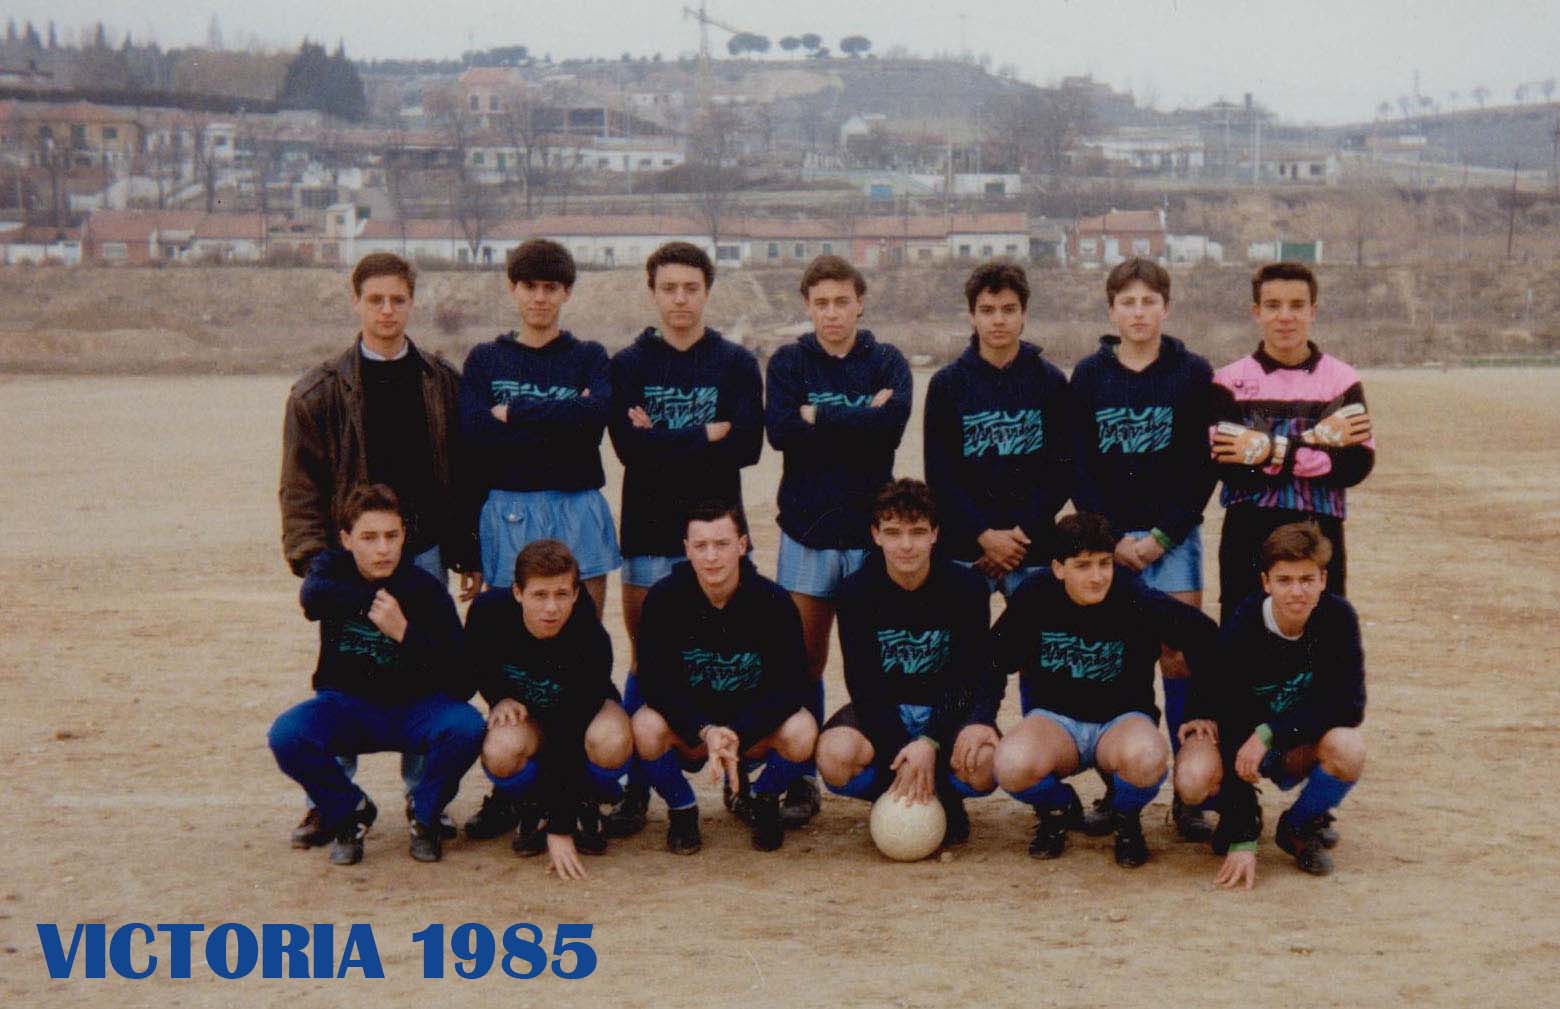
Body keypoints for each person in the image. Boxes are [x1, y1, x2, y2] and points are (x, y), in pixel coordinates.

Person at [279, 252, 479, 849]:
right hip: (354, 554)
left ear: (412, 302)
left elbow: (463, 474)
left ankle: (427, 801)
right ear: (356, 301)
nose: (387, 310)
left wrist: (464, 551)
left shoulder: (442, 380)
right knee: (347, 671)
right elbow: (299, 485)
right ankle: (331, 801)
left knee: (424, 673)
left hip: (421, 552)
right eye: (375, 300)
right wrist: (319, 560)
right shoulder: (319, 391)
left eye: (398, 299)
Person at [604, 242, 764, 837]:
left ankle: (741, 781)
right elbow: (628, 450)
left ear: (706, 291)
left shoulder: (735, 362)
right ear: (653, 291)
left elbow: (747, 446)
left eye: (690, 288)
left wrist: (666, 437)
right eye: (668, 288)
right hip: (647, 530)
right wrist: (707, 431)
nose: (679, 299)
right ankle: (640, 788)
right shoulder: (628, 365)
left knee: (732, 659)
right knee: (650, 660)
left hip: (720, 532)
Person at [1069, 257, 1219, 841]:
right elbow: (1077, 463)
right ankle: (1119, 788)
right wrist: (1108, 540)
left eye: (1148, 301)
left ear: (1166, 307)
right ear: (1112, 311)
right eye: (1127, 303)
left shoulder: (1191, 373)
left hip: (1170, 539)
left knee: (1179, 656)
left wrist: (1161, 538)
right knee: (1121, 656)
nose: (1138, 312)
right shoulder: (1089, 375)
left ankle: (1190, 790)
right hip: (1109, 543)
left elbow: (1201, 467)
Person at [764, 254, 912, 827]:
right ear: (807, 306)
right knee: (804, 657)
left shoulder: (887, 361)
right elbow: (780, 431)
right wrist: (855, 419)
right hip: (807, 530)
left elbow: (891, 428)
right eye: (820, 302)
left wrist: (817, 418)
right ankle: (801, 775)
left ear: (860, 302)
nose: (832, 313)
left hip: (870, 535)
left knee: (877, 653)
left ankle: (887, 758)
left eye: (842, 301)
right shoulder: (789, 362)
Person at [267, 484, 485, 865]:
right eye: (369, 537)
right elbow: (311, 597)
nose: (383, 549)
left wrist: (405, 632)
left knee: (467, 726)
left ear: (404, 537)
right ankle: (350, 812)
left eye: (392, 536)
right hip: (348, 707)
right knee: (287, 735)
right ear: (346, 540)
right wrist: (370, 600)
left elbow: (463, 679)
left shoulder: (424, 588)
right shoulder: (331, 572)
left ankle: (425, 812)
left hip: (413, 710)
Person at [989, 512, 1217, 868]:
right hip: (1055, 723)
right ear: (1058, 568)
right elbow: (992, 660)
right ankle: (1058, 808)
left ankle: (1126, 819)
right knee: (1010, 764)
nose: (1097, 577)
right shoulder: (1036, 595)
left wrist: (1199, 709)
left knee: (1147, 757)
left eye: (1104, 564)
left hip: (1120, 722)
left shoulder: (1131, 594)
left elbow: (1203, 634)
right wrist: (980, 720)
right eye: (1082, 566)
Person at [1176, 522, 1367, 888]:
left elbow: (1350, 705)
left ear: (1323, 579)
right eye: (1284, 580)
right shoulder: (1246, 626)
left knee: (1348, 747)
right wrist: (1242, 834)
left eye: (1307, 579)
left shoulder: (1338, 618)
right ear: (1266, 582)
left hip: (1287, 741)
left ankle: (1297, 827)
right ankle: (1240, 818)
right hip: (1241, 744)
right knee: (1193, 778)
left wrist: (1270, 732)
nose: (1297, 591)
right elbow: (1230, 724)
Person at [815, 479, 995, 847]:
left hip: (945, 706)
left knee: (987, 765)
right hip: (886, 708)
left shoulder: (967, 587)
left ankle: (945, 795)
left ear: (935, 535)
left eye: (917, 532)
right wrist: (904, 751)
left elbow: (967, 676)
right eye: (893, 533)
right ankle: (897, 789)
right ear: (876, 535)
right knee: (834, 757)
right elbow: (863, 684)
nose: (906, 545)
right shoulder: (855, 591)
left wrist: (930, 741)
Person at [630, 501, 816, 854]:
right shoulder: (664, 599)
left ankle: (763, 798)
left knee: (802, 730)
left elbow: (791, 684)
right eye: (700, 546)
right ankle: (682, 809)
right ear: (686, 549)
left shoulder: (772, 600)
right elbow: (655, 682)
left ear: (742, 545)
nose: (711, 557)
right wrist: (705, 730)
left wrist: (738, 732)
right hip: (695, 730)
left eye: (722, 544)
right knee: (644, 726)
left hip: (749, 729)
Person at [457, 239, 618, 610]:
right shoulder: (485, 359)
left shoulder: (588, 356)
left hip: (577, 505)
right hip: (507, 509)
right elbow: (476, 433)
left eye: (551, 288)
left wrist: (514, 414)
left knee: (582, 630)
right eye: (530, 287)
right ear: (512, 288)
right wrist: (565, 415)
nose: (540, 298)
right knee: (510, 636)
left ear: (567, 293)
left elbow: (595, 418)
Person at [1211, 261, 1375, 625]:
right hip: (1247, 532)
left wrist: (1267, 449)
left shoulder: (1342, 381)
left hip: (1321, 532)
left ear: (1313, 312)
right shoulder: (1228, 382)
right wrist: (1317, 443)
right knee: (1244, 648)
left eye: (1297, 306)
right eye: (1273, 306)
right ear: (1256, 312)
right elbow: (1229, 469)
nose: (1285, 317)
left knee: (1321, 646)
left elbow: (1356, 465)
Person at [463, 539, 633, 881]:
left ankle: (584, 799)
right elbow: (474, 668)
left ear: (574, 593)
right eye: (539, 595)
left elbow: (568, 733)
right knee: (500, 749)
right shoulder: (487, 614)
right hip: (528, 717)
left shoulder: (590, 638)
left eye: (561, 594)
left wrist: (560, 827)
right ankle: (527, 803)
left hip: (578, 717)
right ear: (517, 592)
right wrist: (498, 697)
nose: (551, 608)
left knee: (611, 740)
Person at [924, 261, 1072, 598]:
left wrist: (1018, 536)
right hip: (967, 547)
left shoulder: (1050, 381)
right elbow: (940, 475)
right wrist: (984, 536)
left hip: (1032, 544)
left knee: (1033, 647)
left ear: (1024, 314)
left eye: (1009, 309)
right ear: (971, 316)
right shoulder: (947, 384)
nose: (999, 319)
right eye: (987, 310)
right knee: (962, 648)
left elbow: (1061, 470)